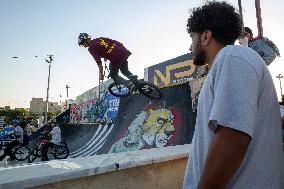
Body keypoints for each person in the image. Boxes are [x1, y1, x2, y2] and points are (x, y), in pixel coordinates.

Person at [183, 2, 283, 189]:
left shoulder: (233, 57)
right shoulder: (228, 63)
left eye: (192, 38)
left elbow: (234, 136)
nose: (190, 47)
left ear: (206, 36)